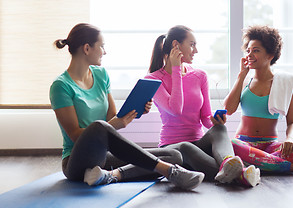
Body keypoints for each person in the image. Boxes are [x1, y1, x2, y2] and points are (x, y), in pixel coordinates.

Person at [49, 23, 204, 190]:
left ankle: (111, 175)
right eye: (102, 46)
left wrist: (136, 110)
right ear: (87, 48)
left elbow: (111, 119)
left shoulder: (101, 75)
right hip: (76, 161)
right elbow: (76, 135)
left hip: (104, 155)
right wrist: (114, 124)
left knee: (173, 155)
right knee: (98, 127)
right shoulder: (61, 86)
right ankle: (167, 170)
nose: (105, 51)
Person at [145, 25, 260, 187]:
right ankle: (242, 173)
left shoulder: (199, 76)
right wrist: (176, 68)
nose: (196, 50)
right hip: (173, 149)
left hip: (199, 145)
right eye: (192, 44)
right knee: (185, 147)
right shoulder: (153, 80)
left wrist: (215, 120)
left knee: (220, 130)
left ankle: (229, 164)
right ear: (175, 45)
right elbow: (175, 110)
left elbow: (206, 119)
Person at [223, 25, 293, 175]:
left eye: (256, 50)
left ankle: (259, 163)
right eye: (248, 51)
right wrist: (241, 76)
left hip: (270, 146)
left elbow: (292, 122)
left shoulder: (285, 83)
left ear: (270, 55)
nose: (249, 55)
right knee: (232, 144)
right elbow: (228, 109)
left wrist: (290, 139)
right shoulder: (245, 81)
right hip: (244, 143)